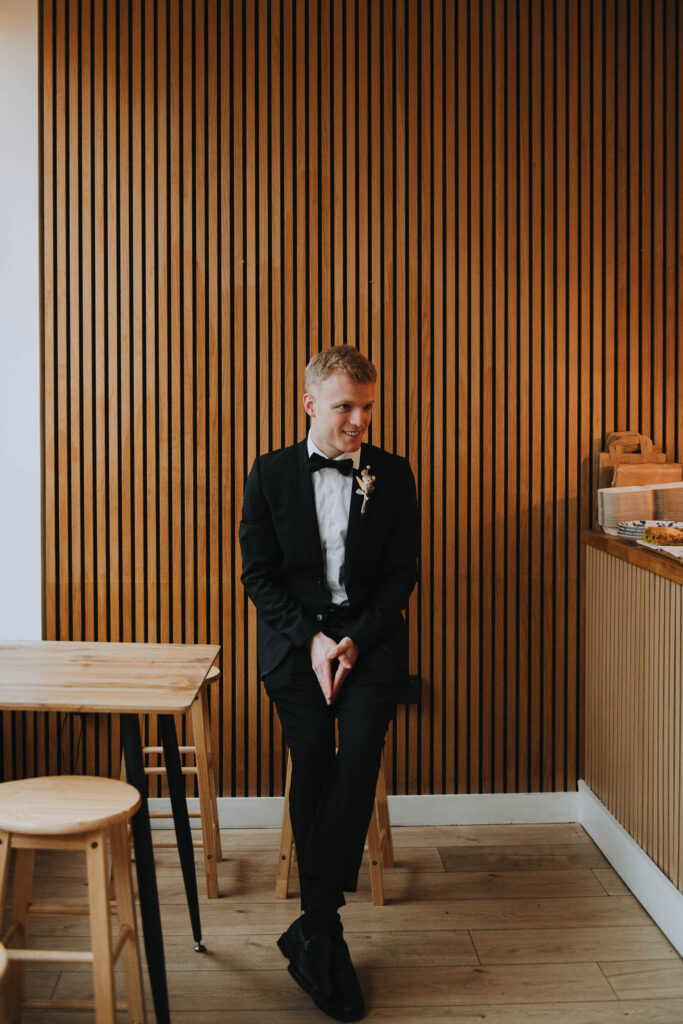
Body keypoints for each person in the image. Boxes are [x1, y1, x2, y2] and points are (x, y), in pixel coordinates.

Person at [239, 345, 419, 1022]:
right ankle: (324, 926)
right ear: (310, 403)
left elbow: (402, 573)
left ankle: (316, 924)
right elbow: (258, 576)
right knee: (311, 753)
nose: (360, 421)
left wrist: (353, 641)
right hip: (293, 642)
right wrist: (312, 642)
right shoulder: (270, 473)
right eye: (346, 406)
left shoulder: (392, 475)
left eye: (367, 407)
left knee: (362, 750)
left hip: (367, 640)